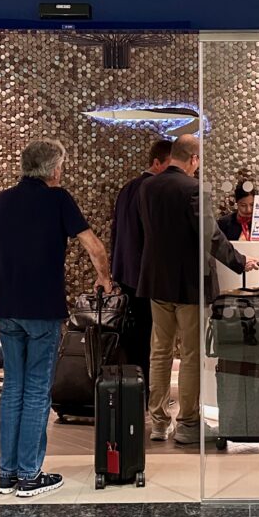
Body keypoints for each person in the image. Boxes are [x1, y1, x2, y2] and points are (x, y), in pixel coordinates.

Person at [0, 138, 112, 498]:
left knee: (12, 388)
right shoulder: (59, 199)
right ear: (54, 169)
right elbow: (94, 247)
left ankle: (6, 474)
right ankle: (30, 475)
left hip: (8, 311)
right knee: (35, 392)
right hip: (43, 312)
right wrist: (104, 278)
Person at [137, 134, 259, 444]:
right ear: (193, 159)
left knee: (160, 351)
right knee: (190, 354)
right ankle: (189, 424)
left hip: (156, 282)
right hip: (189, 284)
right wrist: (239, 261)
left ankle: (159, 422)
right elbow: (211, 236)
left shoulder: (147, 187)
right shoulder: (193, 189)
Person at [110, 139, 173, 393]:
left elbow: (116, 232)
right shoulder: (153, 189)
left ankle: (135, 389)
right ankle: (147, 391)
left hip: (126, 272)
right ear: (156, 163)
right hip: (146, 275)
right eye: (170, 165)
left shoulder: (127, 188)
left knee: (134, 335)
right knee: (150, 337)